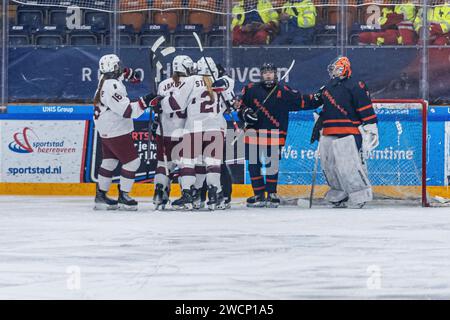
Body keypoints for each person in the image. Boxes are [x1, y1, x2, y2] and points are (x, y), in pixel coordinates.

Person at [238, 62, 322, 208]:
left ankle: (271, 193)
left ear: (275, 74)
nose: (268, 75)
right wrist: (244, 113)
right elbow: (240, 107)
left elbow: (302, 101)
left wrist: (318, 97)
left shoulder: (284, 90)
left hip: (274, 133)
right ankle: (258, 194)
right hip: (253, 133)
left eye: (271, 72)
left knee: (272, 165)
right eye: (265, 72)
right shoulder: (250, 89)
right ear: (261, 74)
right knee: (253, 164)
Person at [160, 57, 235, 210]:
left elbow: (175, 104)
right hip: (214, 127)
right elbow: (230, 92)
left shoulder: (191, 80)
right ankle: (215, 194)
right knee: (212, 164)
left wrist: (160, 102)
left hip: (193, 127)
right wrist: (225, 84)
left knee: (187, 162)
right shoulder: (220, 80)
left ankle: (187, 194)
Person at [309, 56, 379, 208]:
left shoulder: (356, 85)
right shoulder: (328, 86)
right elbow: (318, 103)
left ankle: (360, 195)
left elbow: (364, 106)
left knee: (349, 166)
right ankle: (338, 194)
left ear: (343, 68)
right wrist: (320, 120)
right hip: (329, 131)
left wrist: (371, 126)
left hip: (348, 131)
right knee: (330, 166)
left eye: (336, 68)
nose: (333, 71)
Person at [93, 54, 159, 210]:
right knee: (132, 162)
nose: (121, 68)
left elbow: (121, 75)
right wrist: (146, 100)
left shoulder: (104, 81)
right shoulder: (112, 86)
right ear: (114, 68)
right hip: (116, 130)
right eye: (119, 66)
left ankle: (101, 196)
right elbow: (128, 111)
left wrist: (129, 74)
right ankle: (124, 196)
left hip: (106, 129)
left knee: (109, 162)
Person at [152, 55, 195, 210]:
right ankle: (187, 194)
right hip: (183, 131)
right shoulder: (191, 83)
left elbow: (159, 107)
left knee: (163, 164)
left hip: (163, 131)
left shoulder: (163, 84)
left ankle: (159, 193)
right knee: (186, 164)